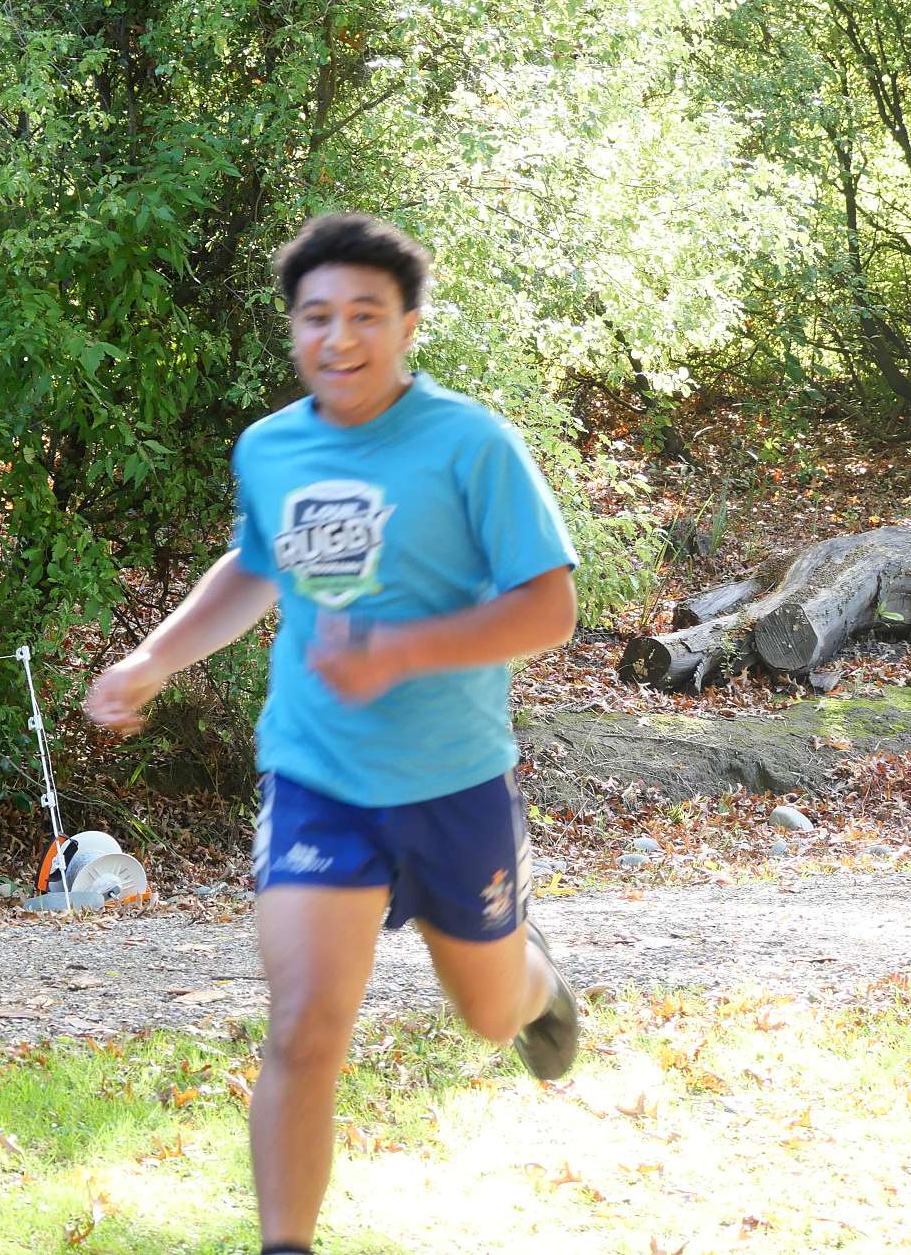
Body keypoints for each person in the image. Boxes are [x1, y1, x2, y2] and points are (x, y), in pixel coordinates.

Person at [82, 213, 580, 1255]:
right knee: (305, 1024)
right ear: (293, 328)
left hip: (452, 780)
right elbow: (254, 565)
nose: (338, 337)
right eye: (316, 316)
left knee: (489, 1014)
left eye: (365, 314)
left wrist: (396, 651)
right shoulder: (270, 447)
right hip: (318, 776)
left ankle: (533, 982)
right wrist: (154, 657)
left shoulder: (471, 445)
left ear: (407, 327)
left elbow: (549, 608)